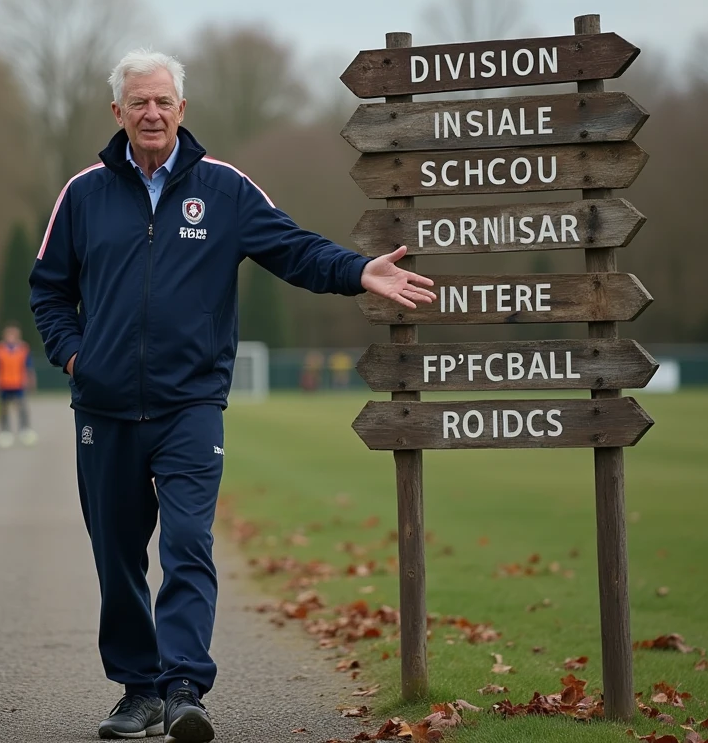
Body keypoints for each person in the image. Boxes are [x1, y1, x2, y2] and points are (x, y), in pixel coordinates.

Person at [29, 49, 435, 741]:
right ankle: (138, 692)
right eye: (138, 102)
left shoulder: (224, 190)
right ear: (117, 112)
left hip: (190, 407)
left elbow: (297, 250)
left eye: (163, 101)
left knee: (188, 542)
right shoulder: (83, 193)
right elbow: (48, 290)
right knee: (118, 555)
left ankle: (184, 685)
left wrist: (359, 270)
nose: (151, 113)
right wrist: (75, 357)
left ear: (182, 109)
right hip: (103, 409)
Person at [0, 322, 37, 447]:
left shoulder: (23, 349)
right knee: (3, 409)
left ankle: (24, 430)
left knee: (22, 407)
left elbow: (28, 367)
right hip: (4, 383)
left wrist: (31, 381)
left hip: (18, 383)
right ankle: (5, 432)